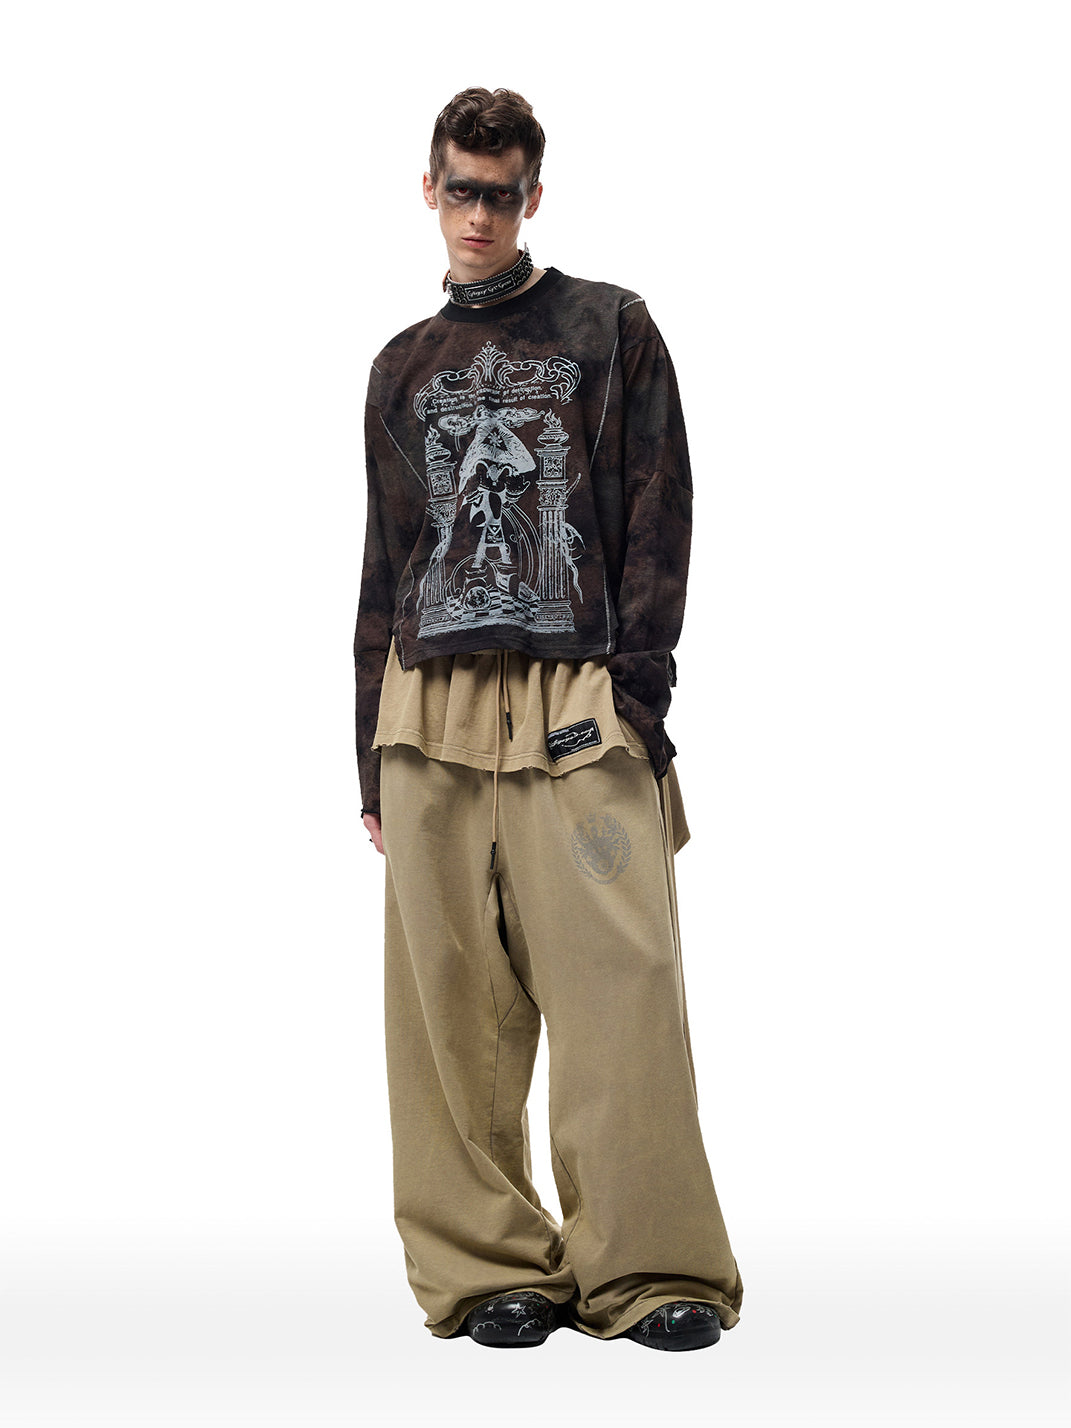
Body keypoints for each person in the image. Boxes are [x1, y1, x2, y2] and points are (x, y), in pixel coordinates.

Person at [354, 86, 743, 1352]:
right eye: (462, 191)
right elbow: (386, 563)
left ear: (534, 196)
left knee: (620, 983)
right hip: (429, 704)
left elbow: (661, 507)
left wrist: (638, 695)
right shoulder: (401, 366)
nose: (480, 215)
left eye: (503, 194)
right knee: (448, 1000)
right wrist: (367, 752)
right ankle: (486, 1269)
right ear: (429, 190)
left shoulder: (609, 326)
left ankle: (653, 1268)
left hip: (575, 686)